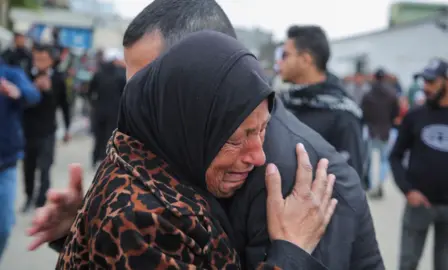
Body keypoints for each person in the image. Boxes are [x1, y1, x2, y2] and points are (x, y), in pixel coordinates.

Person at [29, 1, 383, 269]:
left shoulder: (292, 178)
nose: (141, 101)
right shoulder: (158, 153)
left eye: (156, 81)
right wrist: (86, 231)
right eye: (134, 84)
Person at [389, 58, 448, 270]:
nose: (426, 87)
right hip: (418, 205)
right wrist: (407, 190)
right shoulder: (414, 116)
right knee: (408, 263)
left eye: (431, 82)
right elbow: (395, 155)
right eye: (424, 81)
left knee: (444, 264)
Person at [279, 25, 366, 179]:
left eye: (285, 55)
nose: (279, 62)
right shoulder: (284, 103)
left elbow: (350, 182)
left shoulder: (343, 114)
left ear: (306, 59)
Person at [21, 44, 71, 212]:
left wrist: (67, 128)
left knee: (45, 168)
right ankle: (29, 197)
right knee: (28, 167)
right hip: (28, 131)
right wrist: (32, 90)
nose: (39, 63)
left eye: (43, 59)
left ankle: (41, 202)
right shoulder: (26, 76)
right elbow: (20, 103)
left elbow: (63, 105)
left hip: (48, 131)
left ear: (51, 61)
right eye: (37, 59)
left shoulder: (58, 78)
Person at [0, 62, 40, 261]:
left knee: (4, 227)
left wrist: (16, 92)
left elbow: (33, 94)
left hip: (5, 165)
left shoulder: (10, 74)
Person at [361, 69, 399, 198]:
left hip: (371, 130)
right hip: (385, 130)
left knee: (370, 160)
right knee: (384, 160)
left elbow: (363, 112)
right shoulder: (391, 93)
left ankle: (372, 185)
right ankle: (380, 183)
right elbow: (395, 112)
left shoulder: (368, 94)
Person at [88, 48, 126, 168]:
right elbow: (124, 93)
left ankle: (95, 158)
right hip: (114, 112)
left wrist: (94, 103)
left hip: (99, 110)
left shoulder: (98, 74)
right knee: (110, 136)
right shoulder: (121, 75)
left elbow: (89, 91)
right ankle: (107, 160)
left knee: (98, 136)